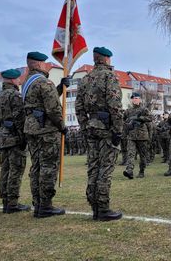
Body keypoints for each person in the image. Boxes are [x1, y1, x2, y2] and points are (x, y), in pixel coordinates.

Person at [75, 47, 124, 221]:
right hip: (106, 129)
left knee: (93, 167)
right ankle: (103, 208)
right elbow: (115, 106)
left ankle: (94, 206)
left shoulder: (85, 79)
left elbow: (78, 107)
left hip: (91, 127)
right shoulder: (109, 76)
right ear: (107, 59)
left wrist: (85, 126)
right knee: (106, 168)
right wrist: (118, 129)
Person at [23, 51, 69, 218]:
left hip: (32, 129)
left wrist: (60, 88)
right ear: (40, 64)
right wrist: (62, 126)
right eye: (46, 63)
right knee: (48, 167)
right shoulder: (44, 82)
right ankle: (46, 206)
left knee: (36, 167)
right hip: (47, 131)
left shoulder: (27, 83)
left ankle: (38, 204)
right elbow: (52, 108)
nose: (48, 65)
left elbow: (40, 102)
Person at [0, 68, 30, 213]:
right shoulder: (15, 96)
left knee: (5, 169)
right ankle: (13, 203)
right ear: (13, 80)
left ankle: (5, 202)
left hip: (2, 137)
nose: (20, 81)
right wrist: (23, 137)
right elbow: (20, 119)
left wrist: (0, 132)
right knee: (16, 170)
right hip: (14, 138)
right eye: (18, 79)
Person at [123, 92, 152, 179]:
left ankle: (141, 171)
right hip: (131, 136)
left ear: (139, 99)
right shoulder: (128, 111)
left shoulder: (144, 110)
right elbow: (123, 120)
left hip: (142, 136)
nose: (134, 99)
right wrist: (128, 124)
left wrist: (139, 118)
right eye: (133, 98)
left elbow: (150, 118)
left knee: (142, 155)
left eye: (136, 98)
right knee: (130, 154)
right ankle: (129, 171)